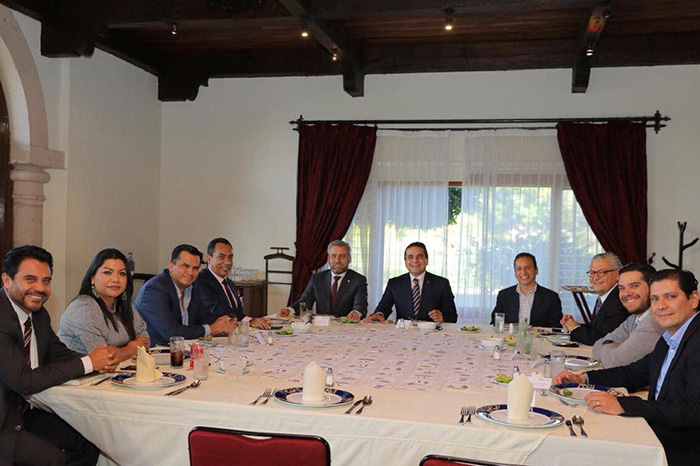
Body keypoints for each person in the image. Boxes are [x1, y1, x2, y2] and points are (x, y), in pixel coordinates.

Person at [553, 269, 700, 466]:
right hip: (659, 432)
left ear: (693, 299)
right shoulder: (671, 337)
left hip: (681, 450)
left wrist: (624, 404)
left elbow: (694, 409)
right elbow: (634, 373)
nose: (661, 306)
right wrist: (583, 379)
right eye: (655, 299)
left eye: (671, 297)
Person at [0, 245, 118, 466]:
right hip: (5, 423)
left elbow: (59, 353)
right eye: (30, 279)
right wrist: (88, 362)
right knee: (54, 459)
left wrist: (102, 362)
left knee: (90, 439)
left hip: (28, 412)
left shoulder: (38, 315)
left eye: (46, 281)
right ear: (7, 280)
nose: (40, 288)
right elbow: (24, 380)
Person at [59, 248, 150, 363]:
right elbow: (104, 358)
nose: (116, 279)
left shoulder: (123, 305)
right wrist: (133, 348)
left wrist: (121, 351)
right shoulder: (83, 308)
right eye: (108, 272)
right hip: (77, 373)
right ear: (92, 278)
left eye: (122, 273)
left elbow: (145, 340)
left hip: (116, 371)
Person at [134, 244, 235, 346]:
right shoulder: (154, 290)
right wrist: (211, 329)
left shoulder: (193, 287)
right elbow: (171, 333)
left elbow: (206, 319)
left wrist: (224, 323)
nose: (190, 272)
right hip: (155, 351)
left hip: (184, 349)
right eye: (185, 266)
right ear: (171, 266)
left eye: (195, 268)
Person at [365, 242, 457, 324]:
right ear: (405, 262)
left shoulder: (441, 284)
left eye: (420, 256)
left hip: (432, 333)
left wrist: (442, 317)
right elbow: (383, 307)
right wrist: (379, 314)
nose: (415, 260)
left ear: (426, 260)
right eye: (410, 257)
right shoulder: (395, 283)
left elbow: (452, 316)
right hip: (403, 332)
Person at [592, 263, 664, 368]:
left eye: (634, 286)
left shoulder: (654, 322)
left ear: (653, 287)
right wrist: (613, 348)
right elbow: (596, 346)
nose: (626, 293)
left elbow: (615, 362)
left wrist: (609, 347)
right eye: (622, 288)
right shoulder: (634, 318)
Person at [279, 240, 368, 321]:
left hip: (346, 326)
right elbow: (305, 301)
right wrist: (289, 310)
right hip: (322, 326)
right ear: (328, 259)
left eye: (342, 256)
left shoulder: (358, 280)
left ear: (349, 259)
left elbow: (360, 304)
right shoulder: (317, 278)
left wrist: (356, 313)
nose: (337, 260)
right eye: (333, 256)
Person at [193, 238, 270, 329]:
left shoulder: (229, 283)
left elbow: (237, 312)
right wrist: (249, 321)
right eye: (221, 257)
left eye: (230, 257)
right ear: (209, 258)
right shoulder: (201, 280)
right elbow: (219, 311)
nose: (228, 262)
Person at [561, 252, 628, 345]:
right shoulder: (605, 296)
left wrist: (575, 328)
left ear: (617, 275)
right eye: (592, 273)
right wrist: (575, 324)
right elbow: (597, 328)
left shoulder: (621, 300)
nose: (595, 278)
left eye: (601, 272)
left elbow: (605, 340)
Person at [490, 252, 562, 327]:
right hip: (510, 335)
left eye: (528, 268)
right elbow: (495, 322)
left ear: (536, 271)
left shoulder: (551, 297)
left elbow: (556, 328)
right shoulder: (504, 295)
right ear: (515, 273)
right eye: (519, 269)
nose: (523, 272)